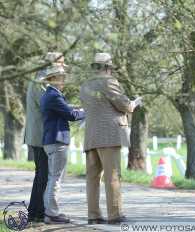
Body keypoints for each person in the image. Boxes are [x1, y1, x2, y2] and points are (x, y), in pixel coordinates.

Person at [80, 53, 142, 225]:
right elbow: (124, 105)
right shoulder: (109, 82)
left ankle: (93, 215)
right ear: (108, 67)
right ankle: (115, 214)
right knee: (112, 176)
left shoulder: (85, 85)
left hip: (91, 135)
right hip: (109, 135)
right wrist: (135, 103)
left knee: (92, 178)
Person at [40, 65, 85, 224]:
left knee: (53, 177)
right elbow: (71, 115)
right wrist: (85, 111)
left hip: (50, 140)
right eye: (61, 78)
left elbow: (65, 110)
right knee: (56, 178)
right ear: (52, 79)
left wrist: (75, 109)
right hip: (57, 140)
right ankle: (52, 213)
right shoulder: (54, 95)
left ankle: (49, 212)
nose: (63, 81)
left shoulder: (49, 94)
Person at [25, 52, 66, 223]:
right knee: (43, 175)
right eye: (61, 63)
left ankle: (35, 211)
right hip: (41, 135)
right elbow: (50, 105)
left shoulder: (38, 79)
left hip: (37, 134)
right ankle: (38, 212)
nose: (63, 67)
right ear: (53, 64)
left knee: (41, 174)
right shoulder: (43, 83)